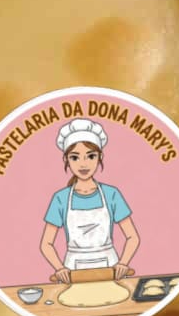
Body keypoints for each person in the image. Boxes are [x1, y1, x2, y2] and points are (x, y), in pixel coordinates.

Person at [39, 118, 139, 282]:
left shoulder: (111, 194)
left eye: (91, 156)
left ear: (100, 157)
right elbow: (46, 243)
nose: (83, 164)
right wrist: (59, 268)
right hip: (73, 271)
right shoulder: (60, 198)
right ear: (66, 160)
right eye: (75, 157)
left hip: (110, 268)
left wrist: (123, 263)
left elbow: (132, 237)